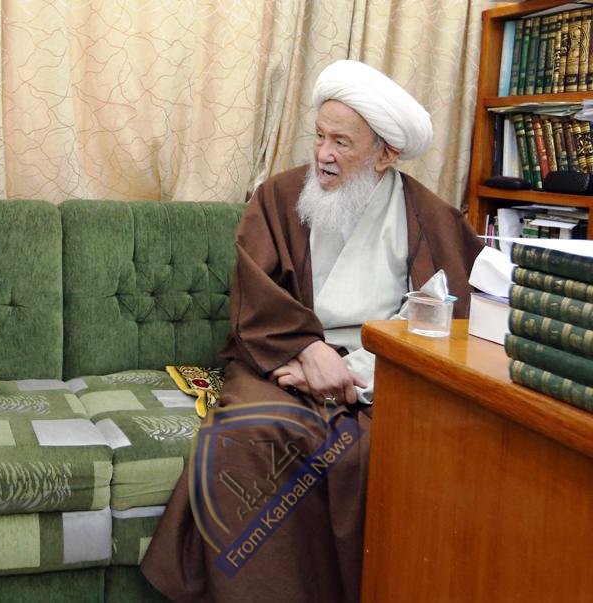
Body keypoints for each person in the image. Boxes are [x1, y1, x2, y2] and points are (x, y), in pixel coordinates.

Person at [140, 60, 485, 602]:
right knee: (249, 435)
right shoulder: (279, 196)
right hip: (283, 362)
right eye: (320, 136)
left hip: (384, 371)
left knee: (382, 454)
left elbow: (447, 318)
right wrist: (306, 350)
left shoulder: (431, 217)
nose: (323, 154)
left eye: (341, 143)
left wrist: (355, 371)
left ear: (385, 154)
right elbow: (255, 291)